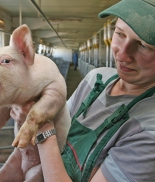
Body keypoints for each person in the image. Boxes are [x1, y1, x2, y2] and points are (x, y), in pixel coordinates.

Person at [10, 0, 155, 181]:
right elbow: (60, 124)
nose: (123, 54)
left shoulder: (149, 131)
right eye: (120, 34)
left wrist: (40, 124)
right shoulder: (95, 78)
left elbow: (50, 126)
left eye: (143, 45)